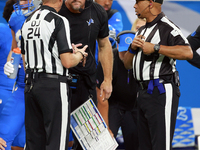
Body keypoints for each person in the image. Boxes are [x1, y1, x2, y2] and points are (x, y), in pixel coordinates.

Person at [123, 0, 193, 149]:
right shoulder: (142, 30)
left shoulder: (167, 26)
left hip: (160, 91)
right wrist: (132, 48)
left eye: (137, 2)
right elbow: (127, 64)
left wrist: (156, 47)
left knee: (161, 145)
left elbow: (187, 52)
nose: (134, 6)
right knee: (145, 146)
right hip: (142, 93)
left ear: (150, 3)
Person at [21, 0, 88, 149]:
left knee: (34, 143)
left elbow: (25, 59)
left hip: (31, 85)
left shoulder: (27, 20)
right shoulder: (59, 20)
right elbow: (68, 62)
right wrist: (80, 55)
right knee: (56, 143)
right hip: (53, 87)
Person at [59, 1, 113, 149]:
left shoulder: (97, 11)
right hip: (57, 83)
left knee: (87, 142)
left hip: (85, 84)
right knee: (56, 137)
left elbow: (104, 45)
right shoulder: (55, 9)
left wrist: (108, 80)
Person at [0, 1, 41, 150]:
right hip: (20, 89)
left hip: (47, 89)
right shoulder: (16, 18)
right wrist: (10, 62)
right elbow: (14, 49)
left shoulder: (55, 18)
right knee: (5, 140)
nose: (22, 3)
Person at [97, 30, 139, 150]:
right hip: (112, 105)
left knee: (136, 142)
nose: (126, 55)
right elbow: (101, 96)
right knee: (106, 141)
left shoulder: (142, 61)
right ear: (118, 46)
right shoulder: (108, 61)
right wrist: (106, 127)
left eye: (130, 51)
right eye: (123, 51)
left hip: (133, 106)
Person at [94, 0, 123, 64]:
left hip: (106, 64)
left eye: (110, 0)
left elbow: (113, 36)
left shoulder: (114, 14)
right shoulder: (85, 14)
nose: (107, 3)